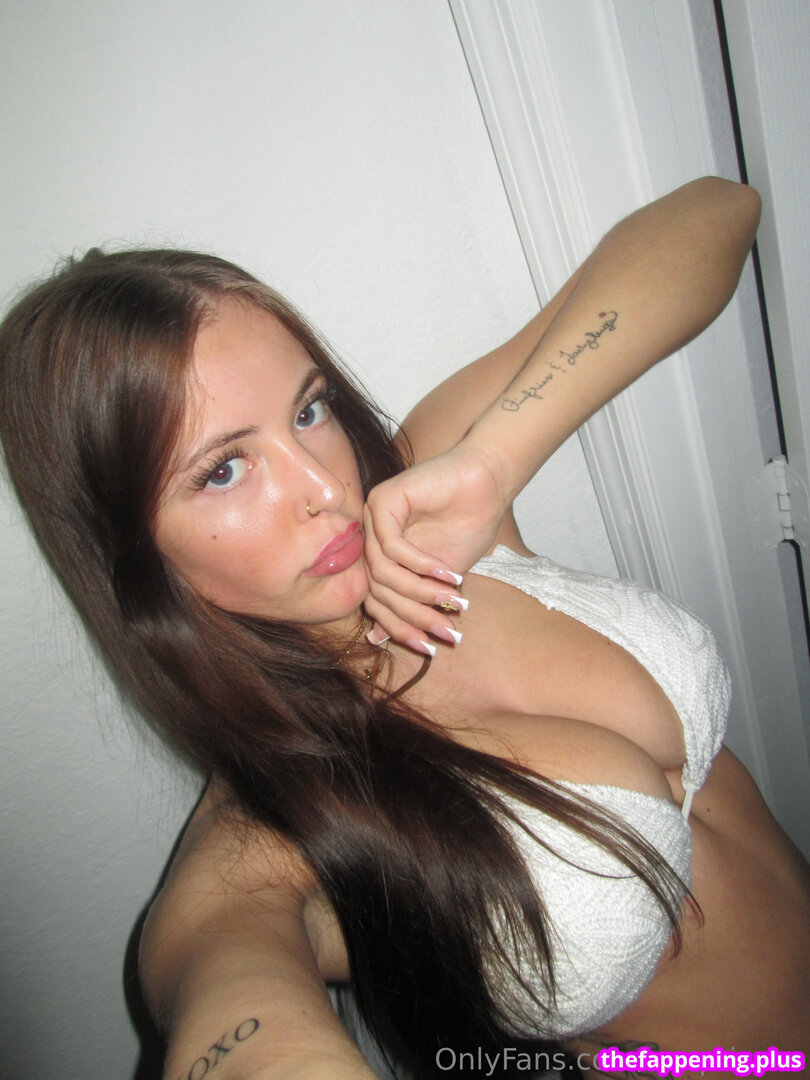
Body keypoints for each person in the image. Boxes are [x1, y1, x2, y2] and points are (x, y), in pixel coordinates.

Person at [0, 178, 807, 1080]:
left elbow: (719, 213)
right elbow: (232, 1000)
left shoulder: (434, 506)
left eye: (308, 411)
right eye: (225, 470)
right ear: (135, 555)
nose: (326, 487)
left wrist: (496, 459)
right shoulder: (266, 840)